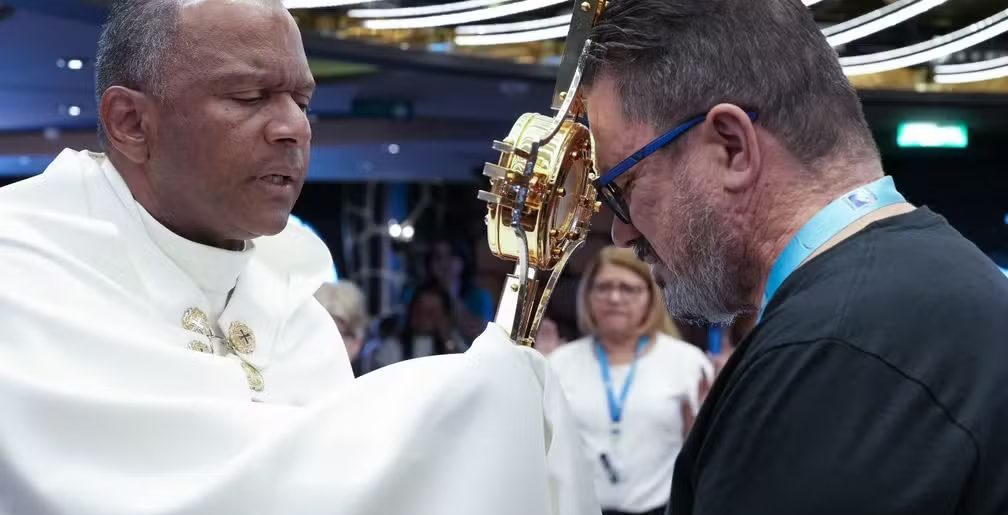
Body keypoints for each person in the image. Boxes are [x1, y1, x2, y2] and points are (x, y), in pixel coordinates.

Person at [0, 2, 600, 514]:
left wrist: (495, 396)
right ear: (131, 122)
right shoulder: (23, 276)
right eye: (249, 95)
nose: (293, 127)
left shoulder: (294, 307)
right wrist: (466, 406)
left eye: (302, 100)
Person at [583, 0, 1008, 513]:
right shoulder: (945, 285)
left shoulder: (830, 356)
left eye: (623, 187)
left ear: (732, 147)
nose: (621, 233)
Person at [549, 247, 712, 515]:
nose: (614, 298)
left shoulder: (687, 363)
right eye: (604, 287)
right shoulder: (559, 363)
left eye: (628, 288)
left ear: (650, 297)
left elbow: (700, 454)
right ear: (587, 295)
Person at [369, 281, 465, 370]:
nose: (422, 316)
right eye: (418, 309)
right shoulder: (393, 346)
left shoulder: (454, 344)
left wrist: (446, 338)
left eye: (430, 312)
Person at [315, 280, 369, 376]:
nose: (322, 345)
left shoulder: (378, 382)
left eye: (334, 335)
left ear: (356, 343)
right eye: (315, 333)